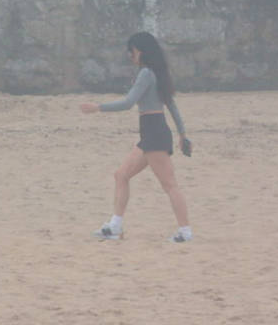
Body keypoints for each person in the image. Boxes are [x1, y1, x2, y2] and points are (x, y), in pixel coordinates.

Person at [80, 32, 193, 243]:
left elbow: (128, 102)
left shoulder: (146, 74)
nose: (129, 55)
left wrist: (98, 107)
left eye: (131, 51)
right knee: (121, 175)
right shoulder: (158, 73)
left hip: (154, 133)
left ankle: (185, 231)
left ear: (139, 50)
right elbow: (172, 106)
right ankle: (115, 226)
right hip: (152, 132)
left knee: (170, 185)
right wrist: (182, 134)